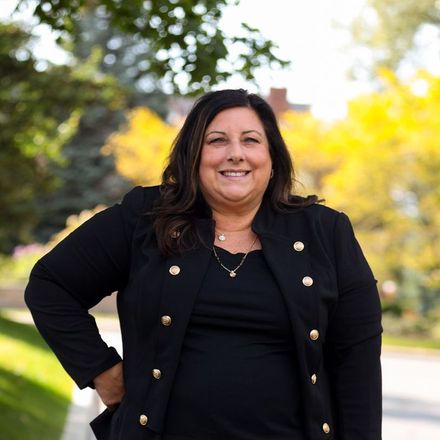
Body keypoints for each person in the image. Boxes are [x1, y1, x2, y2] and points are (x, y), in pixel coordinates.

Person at [25, 89, 382, 440]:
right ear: (193, 156)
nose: (235, 154)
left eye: (251, 140)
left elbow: (358, 361)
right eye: (217, 141)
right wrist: (101, 370)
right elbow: (50, 285)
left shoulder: (325, 232)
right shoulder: (146, 219)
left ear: (272, 158)